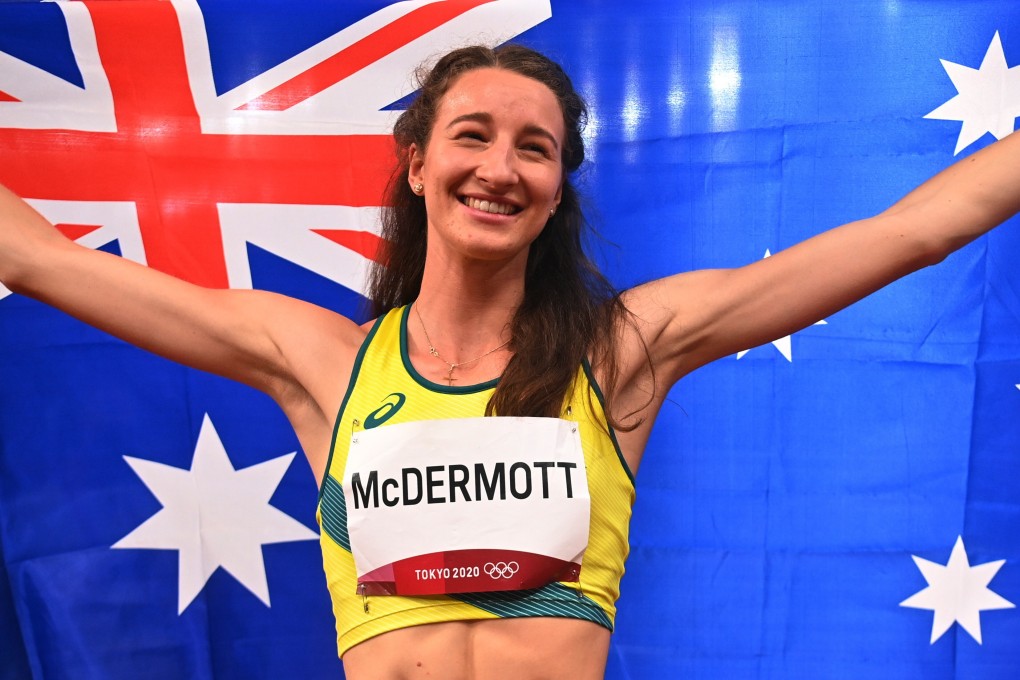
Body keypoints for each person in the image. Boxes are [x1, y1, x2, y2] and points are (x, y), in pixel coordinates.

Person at [1, 42, 1018, 679]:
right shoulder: (320, 358)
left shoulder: (622, 349)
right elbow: (38, 258)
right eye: (473, 135)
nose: (500, 167)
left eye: (534, 148)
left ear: (557, 186)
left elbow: (915, 232)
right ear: (417, 161)